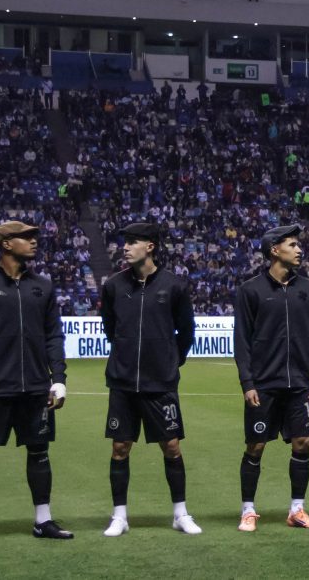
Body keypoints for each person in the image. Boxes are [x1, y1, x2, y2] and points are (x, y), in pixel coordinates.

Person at [0, 221, 72, 546]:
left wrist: (58, 379)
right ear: (6, 244)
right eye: (26, 237)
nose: (34, 242)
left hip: (36, 388)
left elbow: (53, 336)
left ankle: (43, 520)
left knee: (39, 452)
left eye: (34, 237)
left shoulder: (43, 287)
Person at [100, 222, 198, 537]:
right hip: (123, 382)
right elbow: (110, 327)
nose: (125, 247)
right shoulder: (113, 286)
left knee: (171, 446)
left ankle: (180, 514)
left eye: (132, 242)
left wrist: (171, 361)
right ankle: (119, 516)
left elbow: (187, 332)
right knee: (120, 448)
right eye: (124, 242)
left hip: (161, 383)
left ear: (150, 246)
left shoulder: (174, 286)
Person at [234, 224, 309, 532]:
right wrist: (248, 383)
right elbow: (242, 341)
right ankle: (248, 510)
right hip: (264, 385)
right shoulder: (250, 291)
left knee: (303, 442)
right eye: (292, 245)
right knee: (256, 446)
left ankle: (297, 510)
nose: (299, 250)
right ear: (275, 250)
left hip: (299, 384)